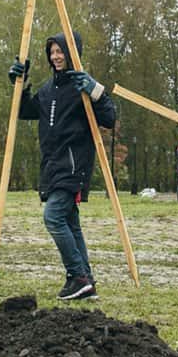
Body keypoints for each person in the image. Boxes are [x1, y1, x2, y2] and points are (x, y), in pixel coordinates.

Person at [11, 31, 116, 301]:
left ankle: (77, 276)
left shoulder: (82, 87)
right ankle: (86, 281)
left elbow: (110, 118)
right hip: (52, 164)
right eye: (53, 52)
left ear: (73, 54)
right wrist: (19, 84)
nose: (56, 56)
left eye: (61, 51)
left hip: (73, 164)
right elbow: (24, 112)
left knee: (53, 217)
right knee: (69, 221)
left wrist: (96, 91)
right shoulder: (48, 90)